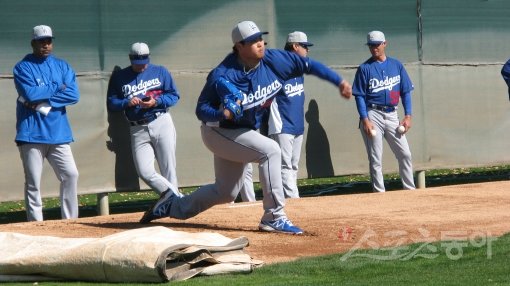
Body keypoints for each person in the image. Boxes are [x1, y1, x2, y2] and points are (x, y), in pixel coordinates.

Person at [140, 20, 352, 235]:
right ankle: (274, 217)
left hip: (242, 131)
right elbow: (201, 109)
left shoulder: (276, 60)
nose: (260, 43)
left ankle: (172, 206)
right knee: (271, 151)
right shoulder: (223, 74)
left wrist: (339, 82)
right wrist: (222, 113)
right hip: (218, 131)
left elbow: (309, 65)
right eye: (252, 41)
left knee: (226, 192)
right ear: (238, 46)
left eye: (260, 38)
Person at [13, 25, 80, 221]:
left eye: (49, 41)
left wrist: (46, 99)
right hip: (31, 132)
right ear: (33, 43)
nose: (46, 45)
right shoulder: (22, 67)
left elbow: (74, 95)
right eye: (41, 41)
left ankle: (70, 221)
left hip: (59, 132)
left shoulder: (62, 65)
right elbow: (30, 94)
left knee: (71, 175)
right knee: (33, 183)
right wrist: (58, 86)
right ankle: (36, 225)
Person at [107, 42, 182, 197]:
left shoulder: (160, 71)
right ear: (130, 59)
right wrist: (126, 102)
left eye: (144, 62)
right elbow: (112, 103)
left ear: (148, 58)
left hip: (161, 121)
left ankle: (174, 204)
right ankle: (175, 197)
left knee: (169, 169)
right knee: (144, 171)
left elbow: (174, 96)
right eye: (137, 62)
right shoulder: (120, 77)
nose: (141, 66)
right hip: (137, 127)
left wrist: (157, 101)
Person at [352, 31, 416, 193]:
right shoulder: (364, 68)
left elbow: (405, 92)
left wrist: (408, 115)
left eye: (377, 44)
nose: (374, 48)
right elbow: (359, 96)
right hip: (373, 114)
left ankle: (410, 190)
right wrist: (365, 119)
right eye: (371, 45)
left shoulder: (396, 65)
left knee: (405, 154)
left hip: (392, 114)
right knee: (376, 159)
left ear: (385, 44)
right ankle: (379, 195)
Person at [267, 31, 317, 198]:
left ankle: (290, 200)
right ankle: (294, 201)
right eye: (304, 46)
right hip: (282, 124)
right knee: (285, 166)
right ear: (295, 47)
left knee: (293, 165)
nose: (307, 50)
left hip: (297, 124)